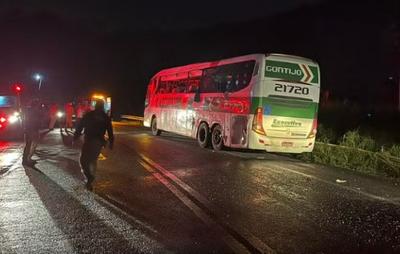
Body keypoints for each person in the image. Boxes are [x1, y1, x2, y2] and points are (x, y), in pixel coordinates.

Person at [73, 99, 114, 191]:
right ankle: (90, 180)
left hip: (89, 140)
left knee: (83, 160)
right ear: (103, 106)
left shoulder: (89, 115)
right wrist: (111, 142)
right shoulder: (105, 117)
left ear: (95, 106)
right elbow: (110, 131)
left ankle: (89, 177)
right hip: (98, 142)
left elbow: (80, 126)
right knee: (93, 160)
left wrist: (75, 137)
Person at [22, 99, 42, 166]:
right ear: (36, 105)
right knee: (32, 145)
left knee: (28, 145)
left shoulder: (28, 111)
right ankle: (27, 159)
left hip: (29, 129)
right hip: (32, 129)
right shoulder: (34, 111)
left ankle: (26, 159)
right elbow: (36, 121)